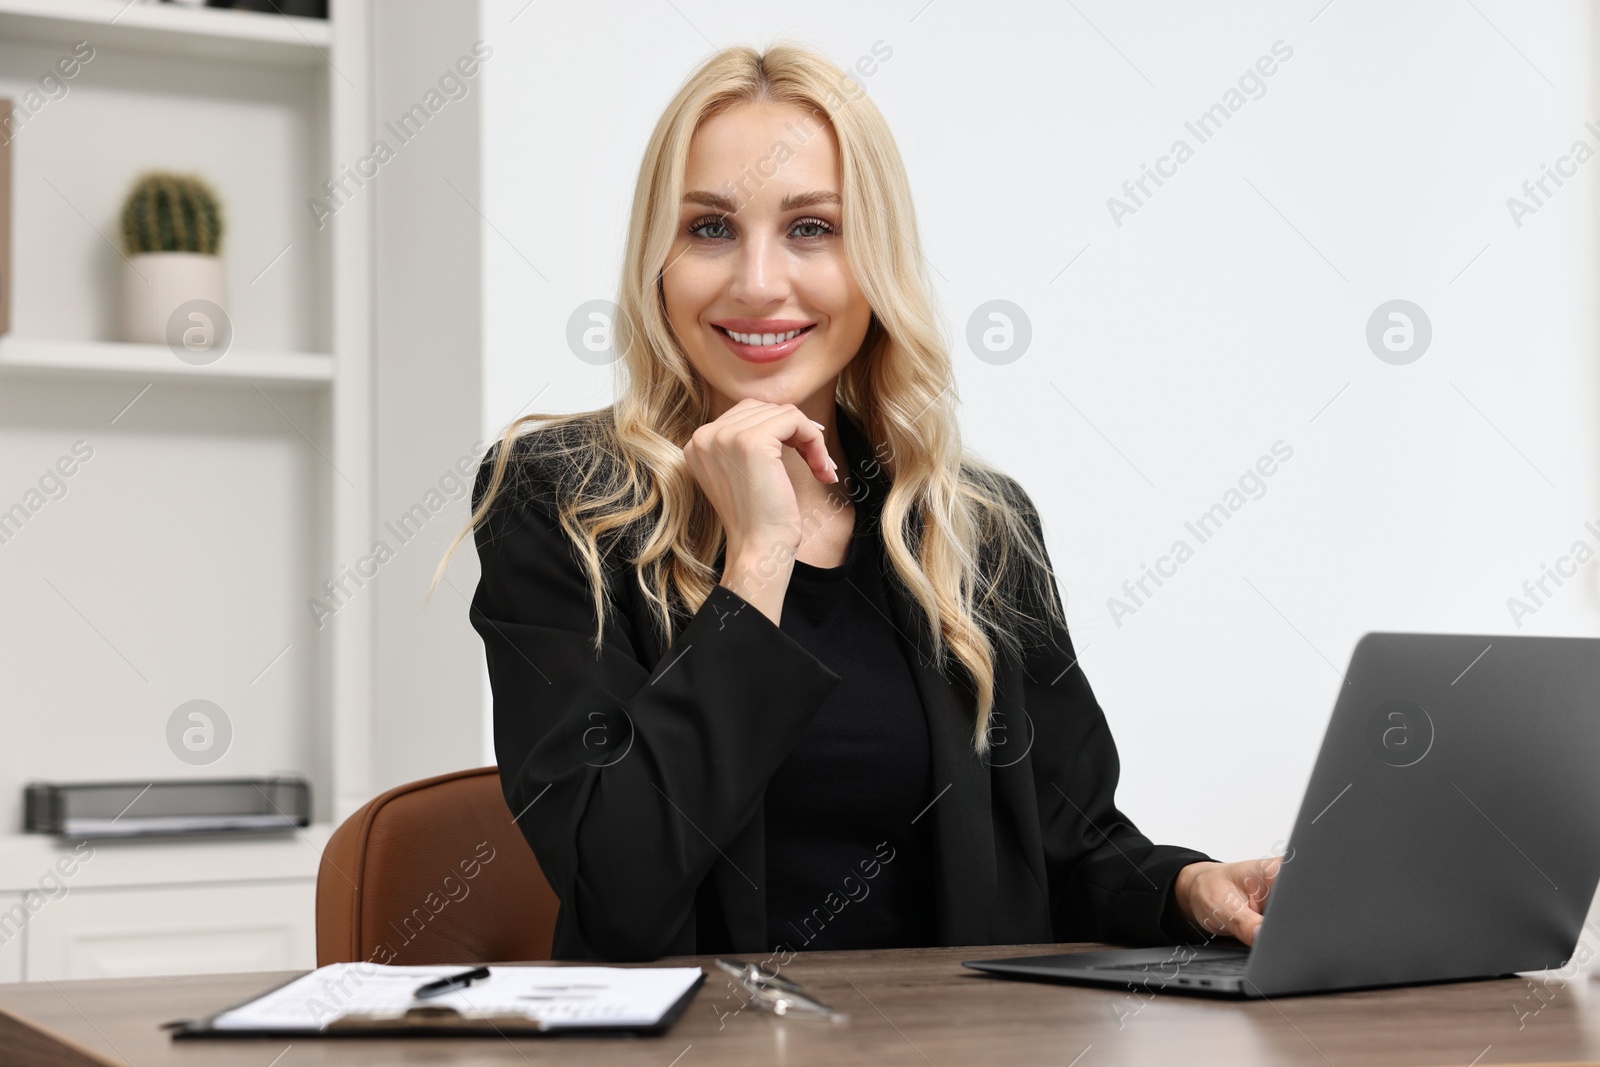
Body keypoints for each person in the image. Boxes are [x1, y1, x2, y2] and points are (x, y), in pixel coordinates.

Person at [437, 42, 1280, 963]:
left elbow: (1069, 847)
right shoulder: (562, 498)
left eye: (811, 228)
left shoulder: (976, 525)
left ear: (874, 260)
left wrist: (1185, 889)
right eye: (710, 228)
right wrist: (759, 561)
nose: (758, 282)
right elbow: (618, 885)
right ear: (658, 264)